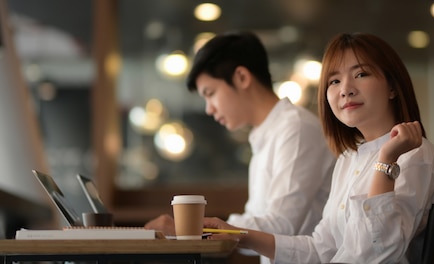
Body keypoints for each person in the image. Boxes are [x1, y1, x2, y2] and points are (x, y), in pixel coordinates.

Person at [203, 32, 434, 263]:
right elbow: (322, 249)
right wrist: (239, 234)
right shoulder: (348, 159)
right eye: (334, 80)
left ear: (393, 87)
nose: (346, 90)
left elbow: (380, 254)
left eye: (361, 74)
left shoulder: (414, 155)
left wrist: (387, 159)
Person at [144, 31, 336, 263]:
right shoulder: (265, 135)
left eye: (210, 93)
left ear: (242, 77)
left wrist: (188, 229)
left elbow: (280, 227)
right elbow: (256, 234)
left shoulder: (295, 129)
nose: (209, 109)